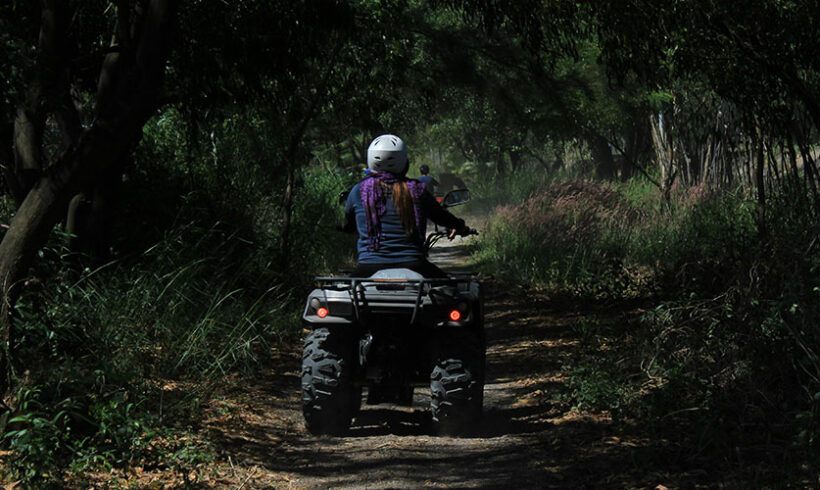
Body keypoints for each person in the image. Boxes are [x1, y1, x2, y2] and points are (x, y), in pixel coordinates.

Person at [340, 134, 472, 278]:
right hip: (414, 264)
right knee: (452, 293)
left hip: (368, 266)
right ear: (404, 163)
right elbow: (442, 217)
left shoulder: (358, 191)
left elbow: (348, 225)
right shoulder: (417, 190)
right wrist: (460, 226)